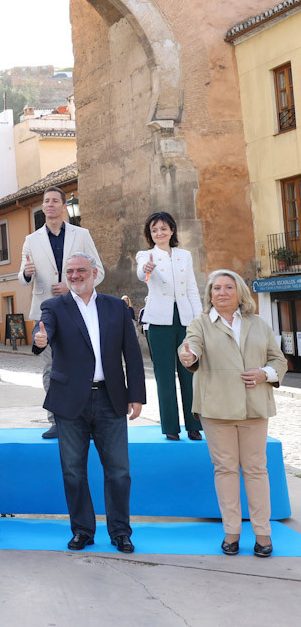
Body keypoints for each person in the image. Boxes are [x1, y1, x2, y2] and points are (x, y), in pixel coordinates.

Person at [32, 252, 145, 553]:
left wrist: (136, 395)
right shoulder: (54, 307)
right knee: (73, 471)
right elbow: (43, 330)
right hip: (70, 402)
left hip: (111, 398)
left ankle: (120, 532)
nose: (75, 275)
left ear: (94, 273)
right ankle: (82, 530)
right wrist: (40, 339)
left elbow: (132, 355)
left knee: (119, 471)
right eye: (70, 271)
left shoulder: (116, 307)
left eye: (80, 270)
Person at [179, 269, 286, 557]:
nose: (222, 292)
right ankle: (231, 532)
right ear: (209, 294)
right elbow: (191, 347)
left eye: (228, 287)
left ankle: (263, 534)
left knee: (256, 470)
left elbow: (278, 360)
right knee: (225, 470)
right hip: (216, 408)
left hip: (254, 407)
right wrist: (188, 356)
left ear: (239, 292)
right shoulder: (200, 324)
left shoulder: (259, 323)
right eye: (216, 288)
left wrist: (265, 373)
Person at [18, 188, 105, 439]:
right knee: (50, 367)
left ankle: (84, 418)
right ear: (43, 207)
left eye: (55, 201)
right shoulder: (31, 240)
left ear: (64, 206)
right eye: (46, 201)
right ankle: (56, 420)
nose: (50, 205)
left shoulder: (82, 235)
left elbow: (99, 271)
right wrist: (26, 273)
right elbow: (23, 278)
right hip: (46, 312)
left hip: (80, 310)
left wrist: (73, 286)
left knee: (81, 365)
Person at [135, 211, 203, 441]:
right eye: (154, 230)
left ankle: (194, 425)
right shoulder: (146, 255)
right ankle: (170, 427)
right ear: (150, 234)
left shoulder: (185, 255)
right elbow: (141, 273)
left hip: (185, 320)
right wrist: (146, 269)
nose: (159, 233)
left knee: (189, 373)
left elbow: (191, 288)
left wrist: (198, 320)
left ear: (172, 230)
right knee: (164, 377)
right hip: (158, 321)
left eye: (163, 228)